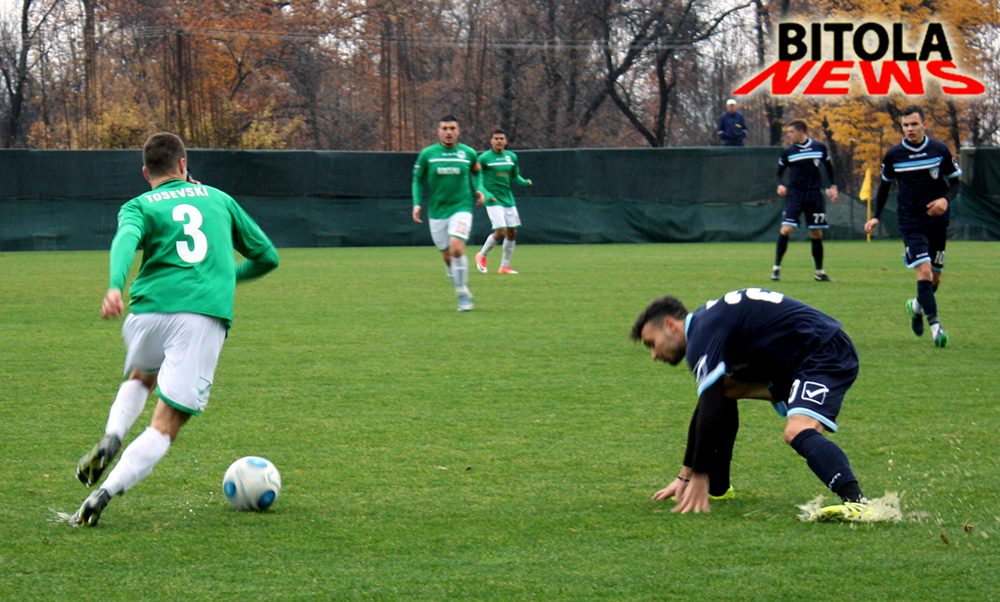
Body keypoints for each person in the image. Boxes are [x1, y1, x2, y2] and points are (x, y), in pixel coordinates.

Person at [71, 132, 279, 526]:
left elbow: (126, 239)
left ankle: (112, 436)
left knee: (141, 376)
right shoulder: (218, 199)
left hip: (147, 312)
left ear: (145, 172)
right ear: (184, 164)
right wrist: (224, 278)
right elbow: (268, 256)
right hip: (200, 315)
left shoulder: (139, 204)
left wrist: (115, 286)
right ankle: (104, 493)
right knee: (166, 424)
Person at [631, 288, 876, 521]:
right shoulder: (705, 323)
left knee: (797, 430)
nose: (653, 355)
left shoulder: (702, 336)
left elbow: (710, 407)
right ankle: (719, 487)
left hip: (822, 352)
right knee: (724, 390)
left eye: (651, 343)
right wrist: (686, 475)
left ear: (670, 325)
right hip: (794, 360)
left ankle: (857, 502)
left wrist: (699, 475)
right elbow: (712, 400)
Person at [864, 105, 960, 348]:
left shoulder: (939, 149)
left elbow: (955, 184)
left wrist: (944, 200)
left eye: (914, 124)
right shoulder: (894, 155)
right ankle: (936, 328)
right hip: (910, 221)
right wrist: (875, 216)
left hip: (937, 222)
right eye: (905, 125)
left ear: (923, 124)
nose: (910, 129)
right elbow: (884, 187)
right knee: (924, 272)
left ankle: (916, 306)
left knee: (935, 278)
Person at [412, 115, 486, 311]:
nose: (449, 132)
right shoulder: (428, 154)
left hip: (461, 207)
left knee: (457, 248)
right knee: (447, 256)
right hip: (437, 211)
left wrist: (480, 189)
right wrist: (417, 203)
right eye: (444, 128)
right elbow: (417, 179)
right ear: (438, 132)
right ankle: (461, 289)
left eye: (452, 128)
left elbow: (477, 172)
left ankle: (462, 294)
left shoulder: (468, 153)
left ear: (458, 131)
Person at [771, 119, 838, 282]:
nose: (788, 135)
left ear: (801, 131)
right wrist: (779, 185)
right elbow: (778, 173)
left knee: (816, 232)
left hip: (814, 195)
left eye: (791, 132)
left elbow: (829, 168)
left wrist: (833, 186)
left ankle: (819, 272)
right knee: (786, 229)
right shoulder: (788, 151)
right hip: (795, 194)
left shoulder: (819, 147)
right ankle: (776, 268)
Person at [474, 129, 533, 275]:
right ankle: (481, 254)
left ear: (505, 141)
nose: (499, 141)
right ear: (491, 141)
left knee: (512, 232)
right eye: (496, 138)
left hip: (508, 199)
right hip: (493, 199)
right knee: (501, 230)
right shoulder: (484, 158)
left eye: (501, 138)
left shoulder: (511, 157)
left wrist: (525, 182)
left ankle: (504, 267)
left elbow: (515, 176)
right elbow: (478, 180)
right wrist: (487, 194)